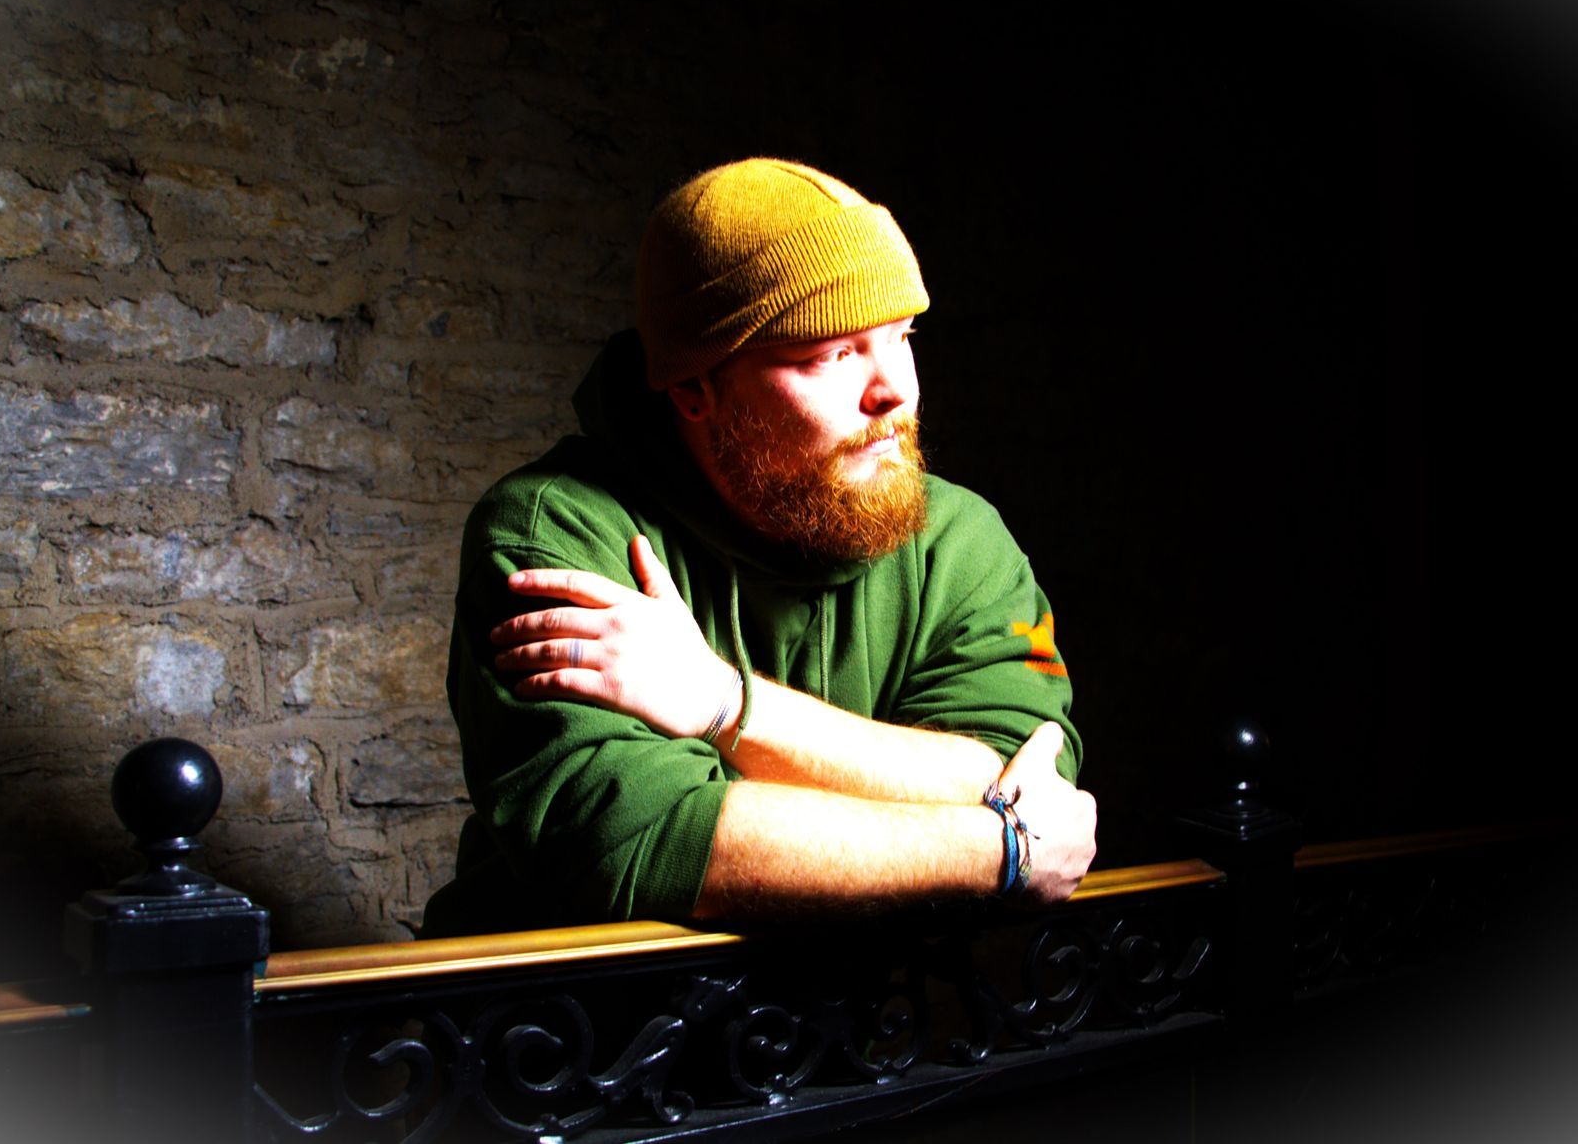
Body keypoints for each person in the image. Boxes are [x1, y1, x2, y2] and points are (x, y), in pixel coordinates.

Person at [422, 158, 1096, 935]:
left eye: (901, 336)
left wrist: (726, 704)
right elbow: (638, 843)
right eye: (830, 354)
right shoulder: (551, 530)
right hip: (577, 1036)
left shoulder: (963, 539)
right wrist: (996, 850)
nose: (895, 392)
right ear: (692, 390)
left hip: (862, 1041)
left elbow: (1022, 769)